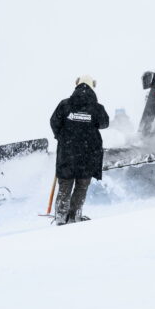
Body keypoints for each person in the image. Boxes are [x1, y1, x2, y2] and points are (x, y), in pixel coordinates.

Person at [49, 75, 109, 225]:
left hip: (67, 153)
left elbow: (54, 121)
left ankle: (61, 218)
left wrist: (60, 136)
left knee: (65, 184)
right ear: (92, 87)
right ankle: (74, 216)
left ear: (77, 85)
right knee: (82, 186)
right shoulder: (97, 108)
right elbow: (104, 124)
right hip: (88, 155)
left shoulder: (64, 105)